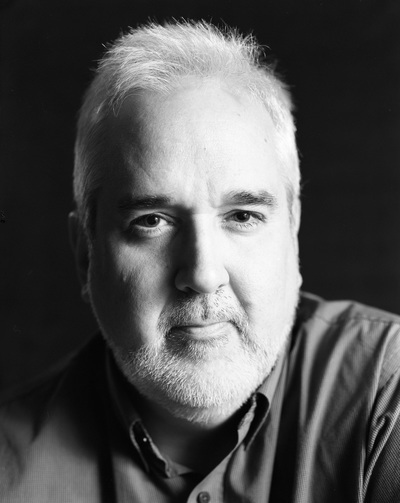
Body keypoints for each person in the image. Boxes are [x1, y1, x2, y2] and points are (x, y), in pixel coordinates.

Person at [1, 20, 400, 503]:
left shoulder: (386, 398)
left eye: (243, 215)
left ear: (292, 234)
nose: (203, 274)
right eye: (151, 221)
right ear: (86, 255)